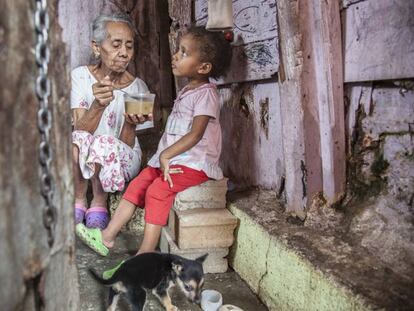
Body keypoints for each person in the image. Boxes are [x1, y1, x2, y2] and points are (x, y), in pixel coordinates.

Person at [76, 26, 233, 259]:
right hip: (172, 160)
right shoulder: (189, 90)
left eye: (183, 52)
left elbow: (196, 134)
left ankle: (145, 255)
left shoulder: (206, 94)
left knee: (157, 192)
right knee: (138, 185)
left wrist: (166, 155)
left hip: (193, 164)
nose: (176, 56)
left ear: (203, 67)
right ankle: (107, 237)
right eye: (178, 51)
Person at [72, 13, 152, 230]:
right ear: (97, 48)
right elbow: (79, 130)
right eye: (116, 45)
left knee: (104, 142)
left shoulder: (138, 89)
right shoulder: (80, 77)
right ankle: (79, 198)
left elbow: (129, 143)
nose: (124, 53)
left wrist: (131, 124)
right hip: (86, 151)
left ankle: (100, 201)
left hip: (121, 157)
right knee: (76, 138)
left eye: (129, 46)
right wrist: (98, 104)